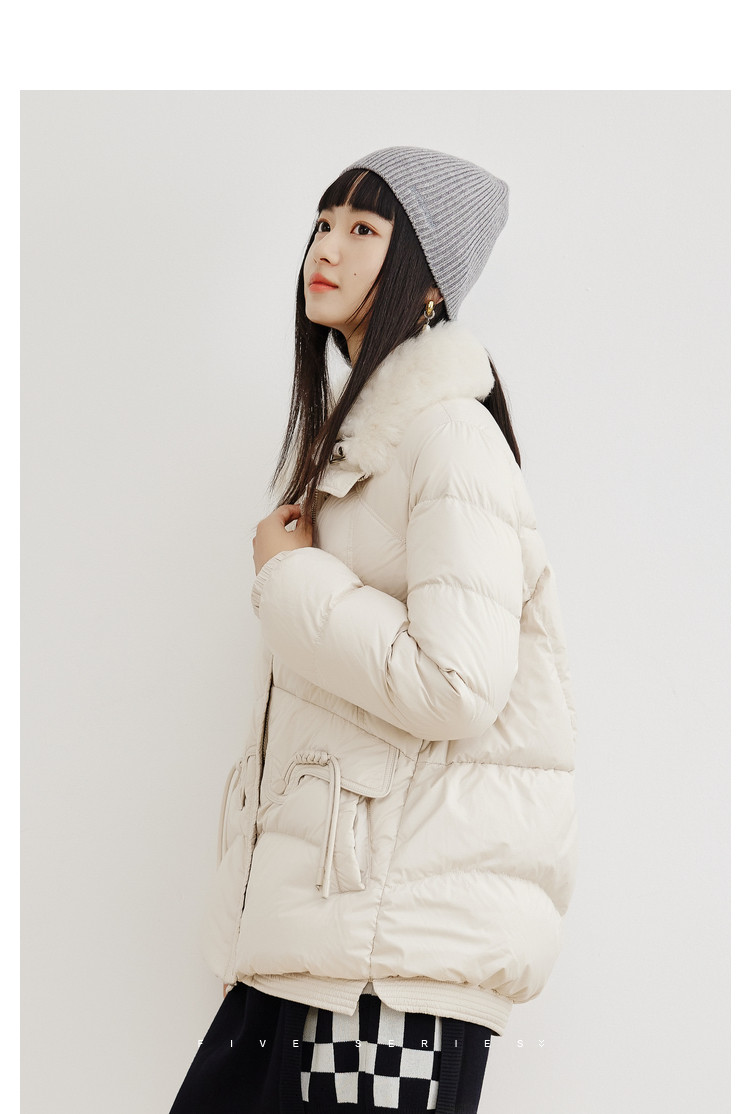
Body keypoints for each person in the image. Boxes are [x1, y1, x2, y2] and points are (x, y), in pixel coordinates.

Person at [168, 146, 577, 1114]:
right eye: (323, 224)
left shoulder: (450, 438)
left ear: (430, 284)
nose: (326, 248)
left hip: (392, 970)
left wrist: (292, 577)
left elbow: (457, 684)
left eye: (363, 229)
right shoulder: (362, 450)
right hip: (326, 944)